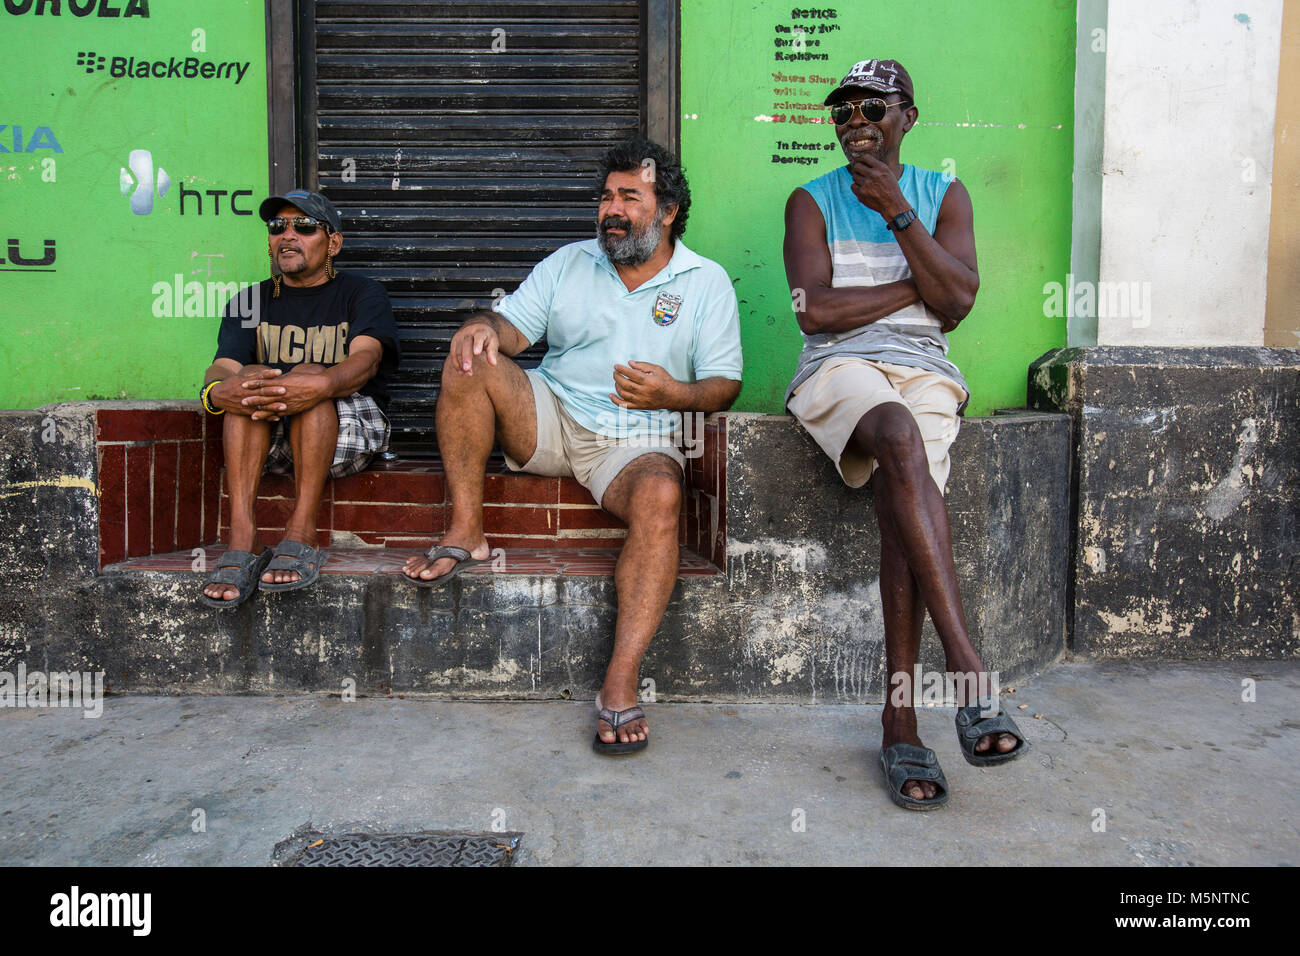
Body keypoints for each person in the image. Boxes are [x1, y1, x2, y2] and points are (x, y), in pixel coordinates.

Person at [402, 138, 743, 755]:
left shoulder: (706, 281)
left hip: (636, 442)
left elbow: (725, 385)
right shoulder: (569, 262)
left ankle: (618, 684)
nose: (611, 209)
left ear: (666, 211)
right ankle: (465, 530)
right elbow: (513, 327)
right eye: (607, 196)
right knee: (469, 358)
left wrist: (670, 393)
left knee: (663, 495)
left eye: (629, 198)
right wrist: (481, 326)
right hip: (552, 414)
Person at [782, 59, 1027, 809]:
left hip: (925, 369)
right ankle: (968, 669)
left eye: (872, 108)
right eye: (843, 111)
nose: (855, 121)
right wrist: (921, 284)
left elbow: (954, 308)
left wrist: (897, 213)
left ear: (907, 117)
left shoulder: (941, 195)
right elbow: (814, 313)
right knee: (893, 433)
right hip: (837, 369)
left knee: (905, 503)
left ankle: (900, 724)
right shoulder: (809, 200)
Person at [198, 189, 400, 607]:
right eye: (278, 227)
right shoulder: (252, 300)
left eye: (304, 227)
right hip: (273, 433)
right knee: (246, 388)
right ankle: (243, 534)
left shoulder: (361, 293)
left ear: (334, 242)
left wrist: (320, 384)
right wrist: (220, 392)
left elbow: (366, 360)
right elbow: (222, 368)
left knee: (310, 377)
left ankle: (302, 525)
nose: (287, 236)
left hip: (348, 427)